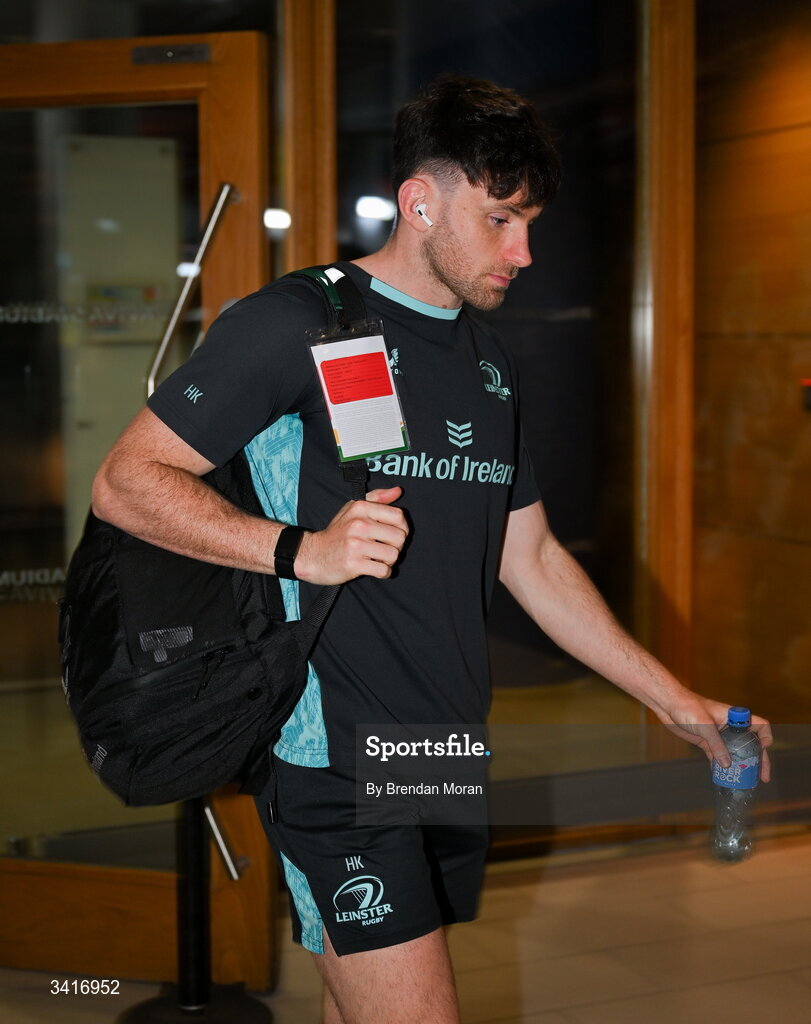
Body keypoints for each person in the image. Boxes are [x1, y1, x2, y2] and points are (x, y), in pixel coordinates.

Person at [92, 76, 773, 1024]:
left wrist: (672, 699)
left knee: (363, 999)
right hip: (325, 746)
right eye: (500, 220)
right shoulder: (298, 321)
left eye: (530, 222)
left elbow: (527, 558)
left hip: (439, 741)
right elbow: (127, 480)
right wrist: (301, 550)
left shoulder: (486, 364)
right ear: (420, 201)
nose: (523, 251)